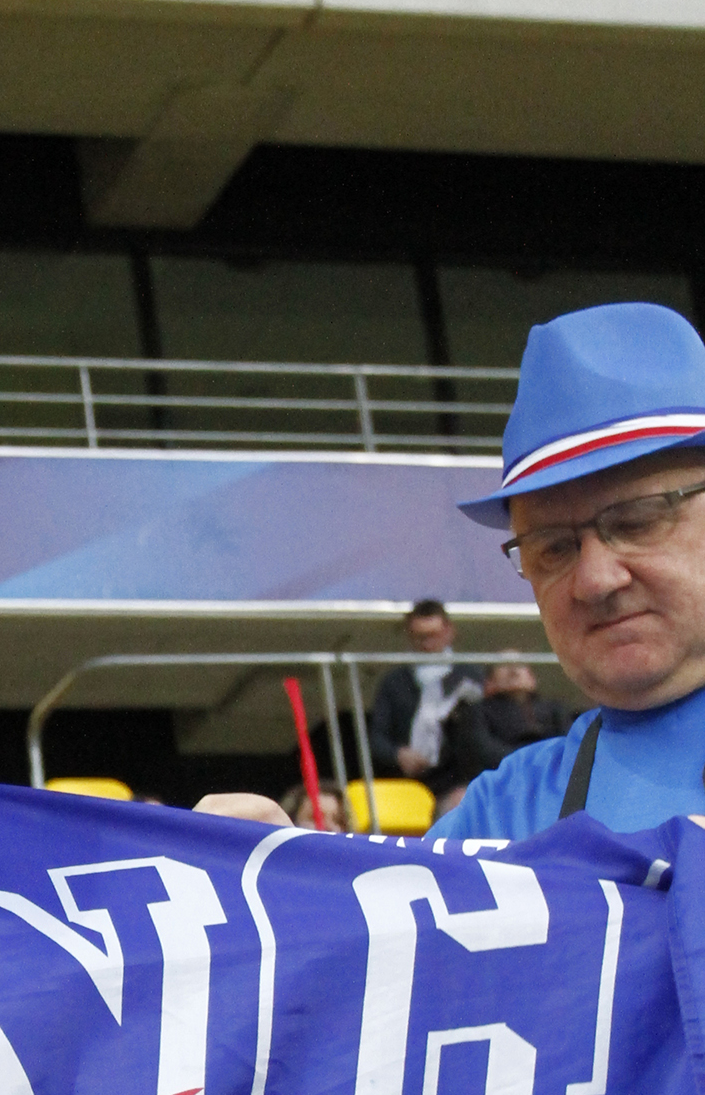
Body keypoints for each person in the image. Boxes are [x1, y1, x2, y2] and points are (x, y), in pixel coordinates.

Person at [197, 305, 705, 844]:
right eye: (553, 548)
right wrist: (277, 873)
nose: (595, 580)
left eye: (637, 521)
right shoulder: (500, 814)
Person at [367, 600, 480, 791]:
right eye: (420, 637)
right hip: (406, 782)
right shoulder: (394, 681)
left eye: (433, 635)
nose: (427, 644)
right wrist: (398, 755)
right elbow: (376, 737)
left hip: (458, 779)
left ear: (450, 632)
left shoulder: (471, 675)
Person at [434, 652, 570, 803]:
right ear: (489, 683)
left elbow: (568, 745)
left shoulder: (555, 710)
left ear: (532, 679)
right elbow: (481, 751)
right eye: (504, 665)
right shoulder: (477, 711)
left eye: (520, 665)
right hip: (498, 785)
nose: (513, 669)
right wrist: (530, 762)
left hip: (550, 782)